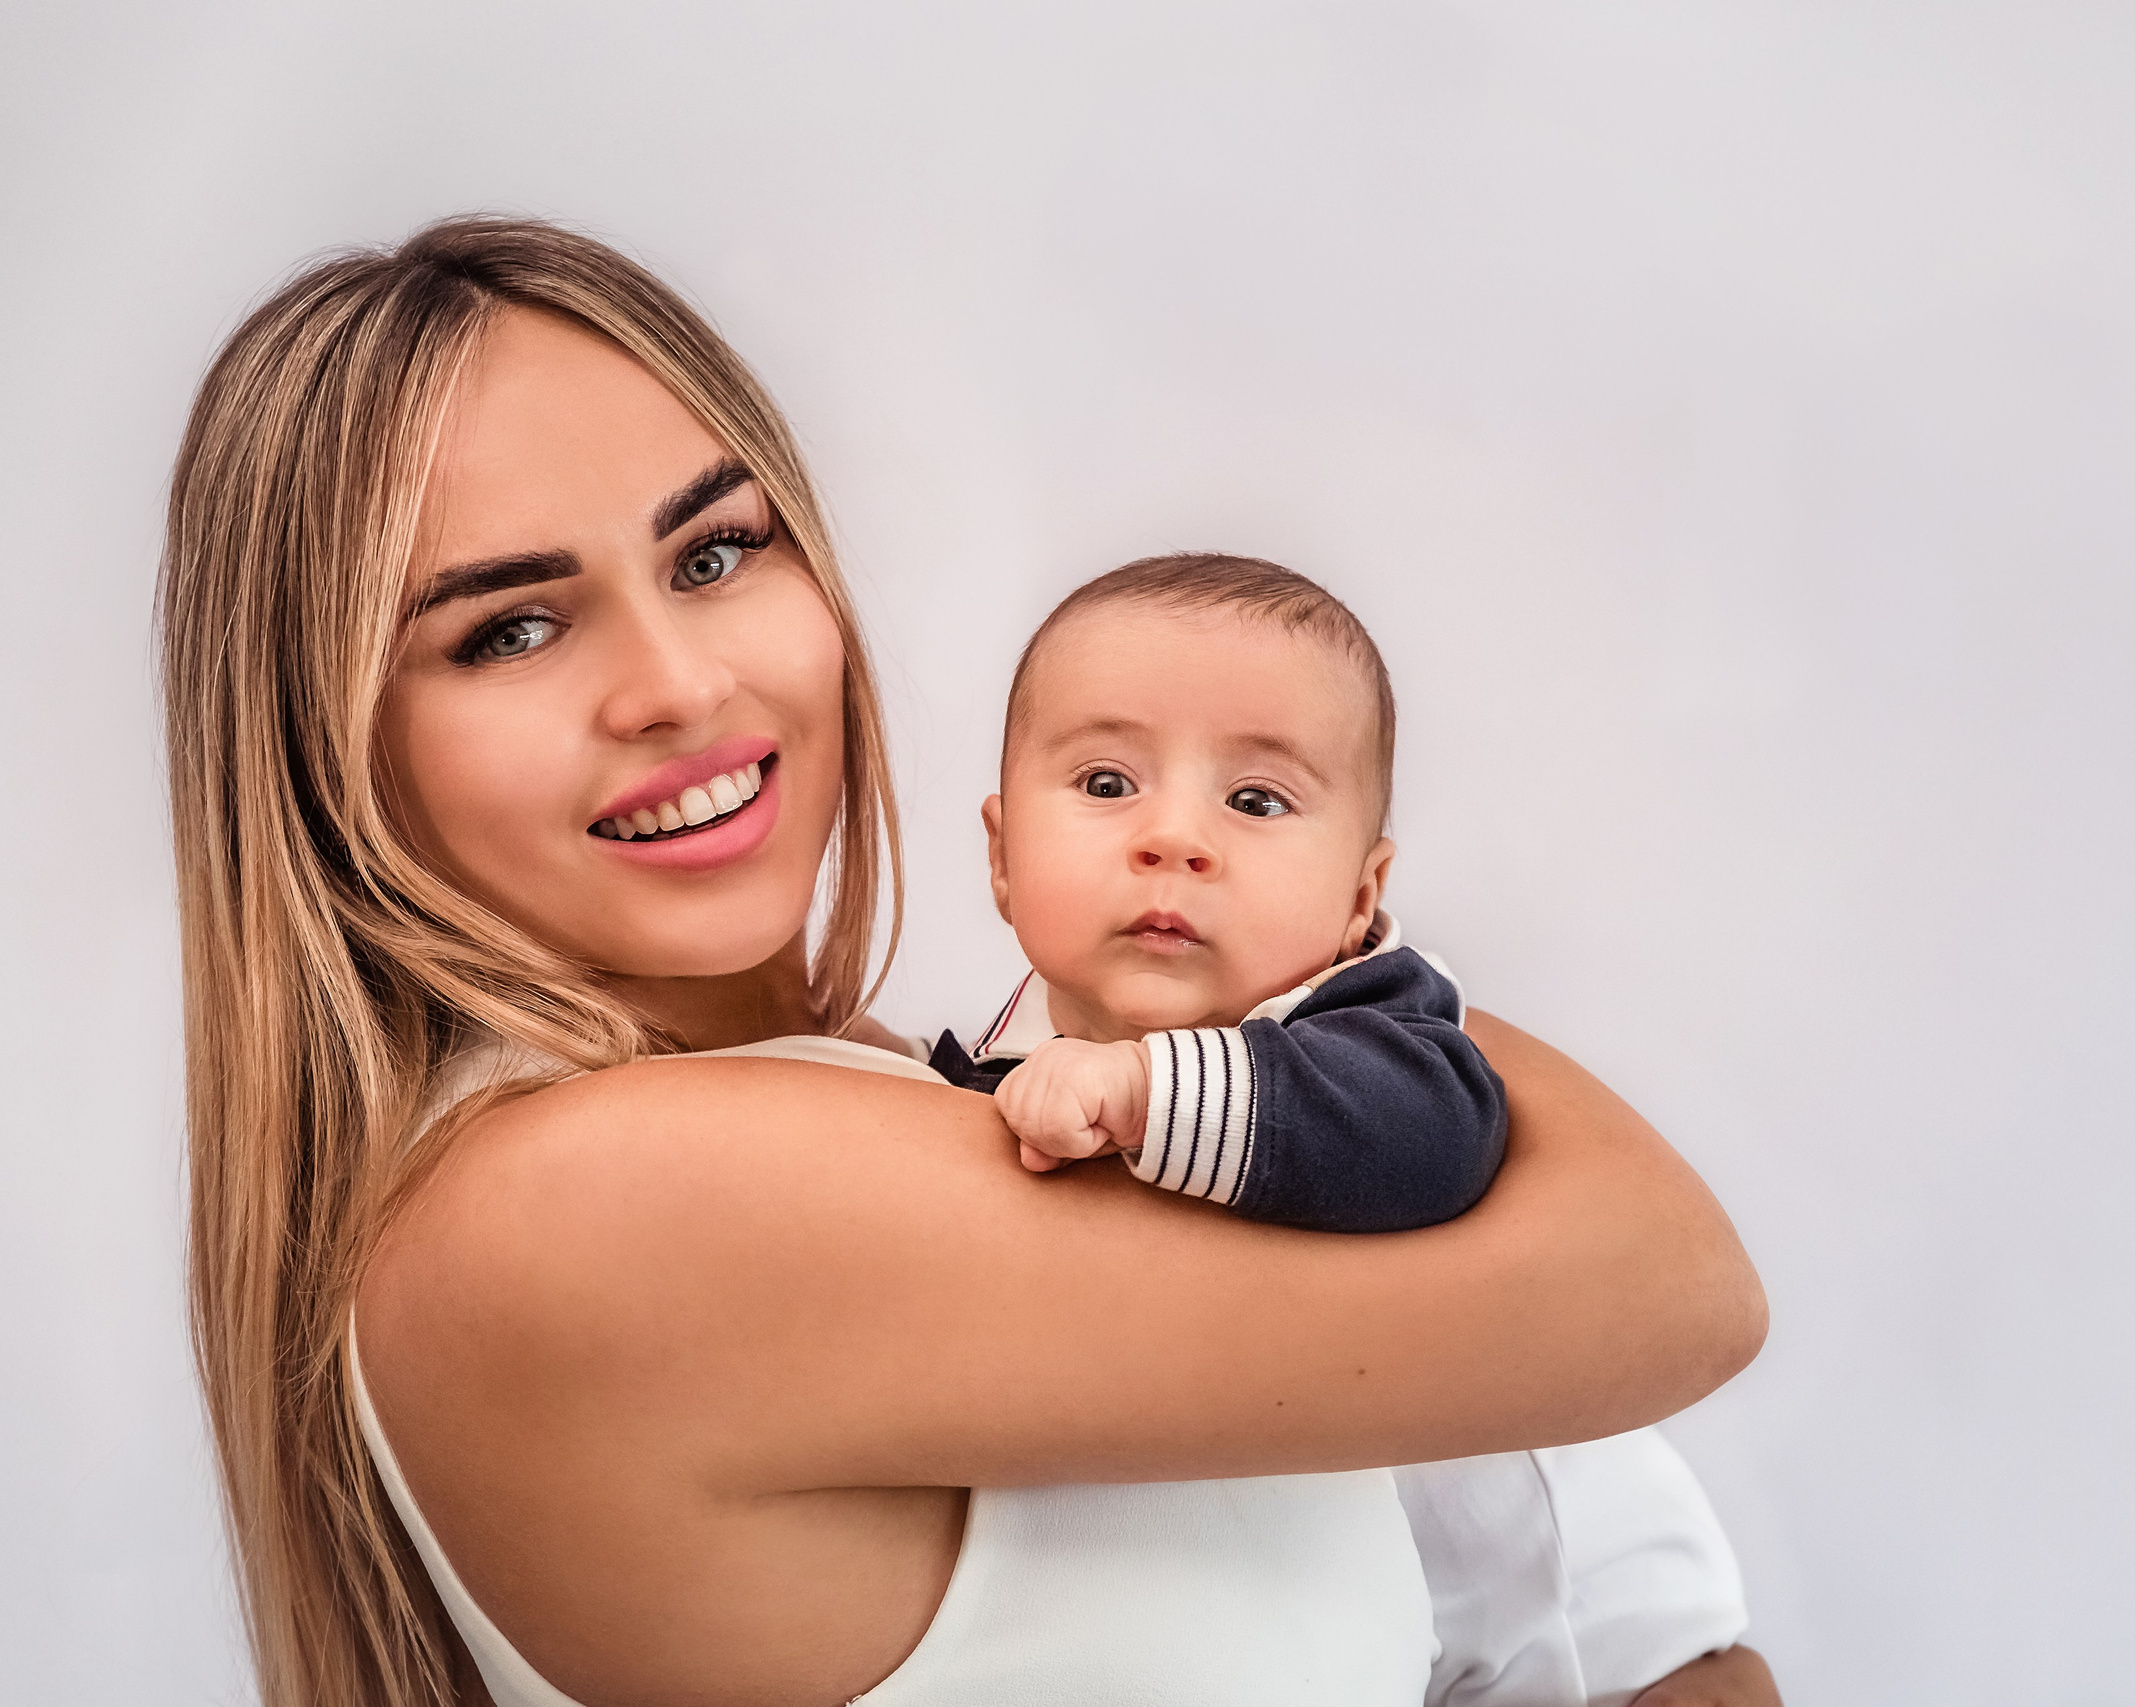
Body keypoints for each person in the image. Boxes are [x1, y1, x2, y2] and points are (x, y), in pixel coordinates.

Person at [160, 215, 1773, 1707]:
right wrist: (1312, 924)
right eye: (509, 628)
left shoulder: (898, 1097)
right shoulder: (575, 1208)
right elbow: (1670, 1278)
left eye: (717, 551)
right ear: (324, 759)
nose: (676, 683)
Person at [925, 549, 1773, 1704]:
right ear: (1001, 858)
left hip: (1589, 1621)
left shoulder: (1378, 1030)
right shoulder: (987, 1075)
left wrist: (1140, 1091)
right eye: (1108, 784)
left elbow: (1427, 1141)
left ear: (1362, 898)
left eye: (1256, 801)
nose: (1175, 839)